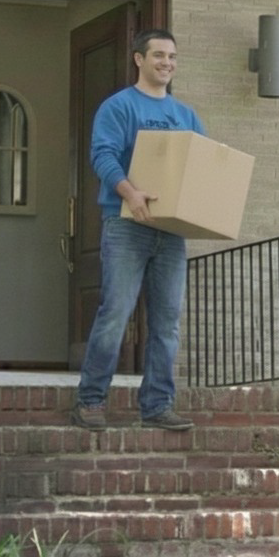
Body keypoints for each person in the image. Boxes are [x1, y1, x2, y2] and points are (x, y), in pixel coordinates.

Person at [71, 29, 204, 432]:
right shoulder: (119, 107)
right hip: (126, 225)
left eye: (173, 57)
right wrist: (131, 193)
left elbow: (199, 167)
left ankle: (157, 406)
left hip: (171, 231)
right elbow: (102, 156)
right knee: (115, 313)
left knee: (167, 322)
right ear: (139, 59)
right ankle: (91, 400)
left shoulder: (186, 116)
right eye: (159, 55)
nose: (167, 63)